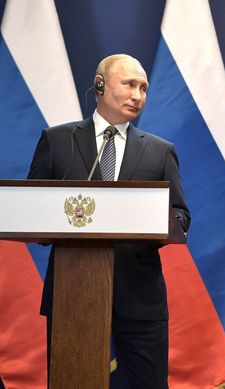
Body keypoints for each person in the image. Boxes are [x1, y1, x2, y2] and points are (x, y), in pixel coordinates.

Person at [28, 54, 190, 388]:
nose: (138, 95)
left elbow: (180, 215)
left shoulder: (160, 151)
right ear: (99, 85)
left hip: (140, 297)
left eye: (144, 88)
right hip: (73, 294)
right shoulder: (57, 141)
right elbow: (32, 209)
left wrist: (154, 222)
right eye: (130, 84)